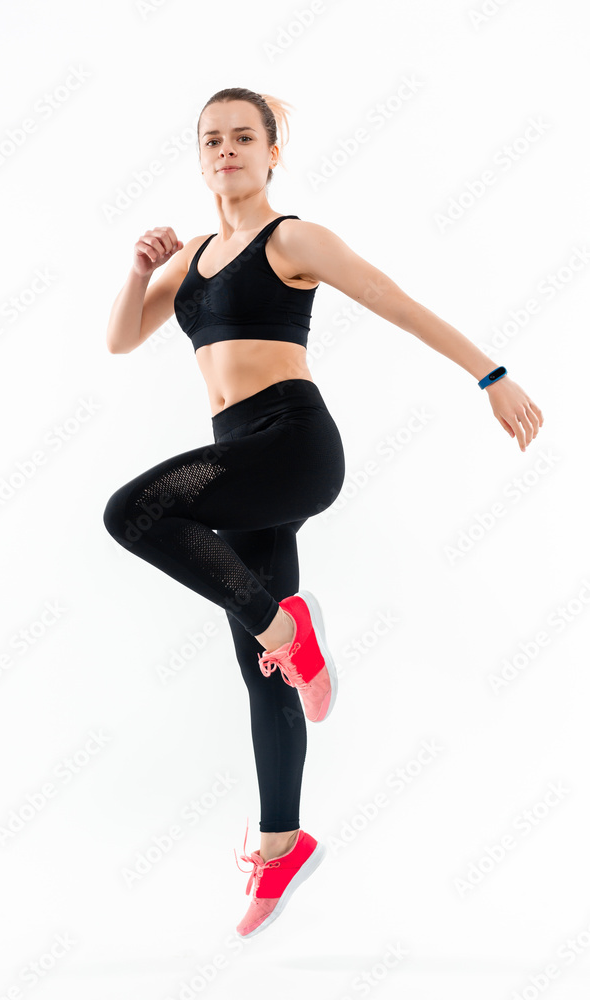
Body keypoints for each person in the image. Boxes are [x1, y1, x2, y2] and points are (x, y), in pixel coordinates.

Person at [102, 87, 544, 939]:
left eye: (242, 137)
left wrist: (492, 377)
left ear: (272, 153)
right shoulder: (191, 255)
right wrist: (135, 269)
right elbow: (122, 339)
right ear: (198, 159)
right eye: (211, 140)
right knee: (258, 672)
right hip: (239, 460)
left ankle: (289, 634)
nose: (225, 150)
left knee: (134, 512)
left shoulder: (291, 238)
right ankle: (281, 841)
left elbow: (394, 300)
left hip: (290, 445)